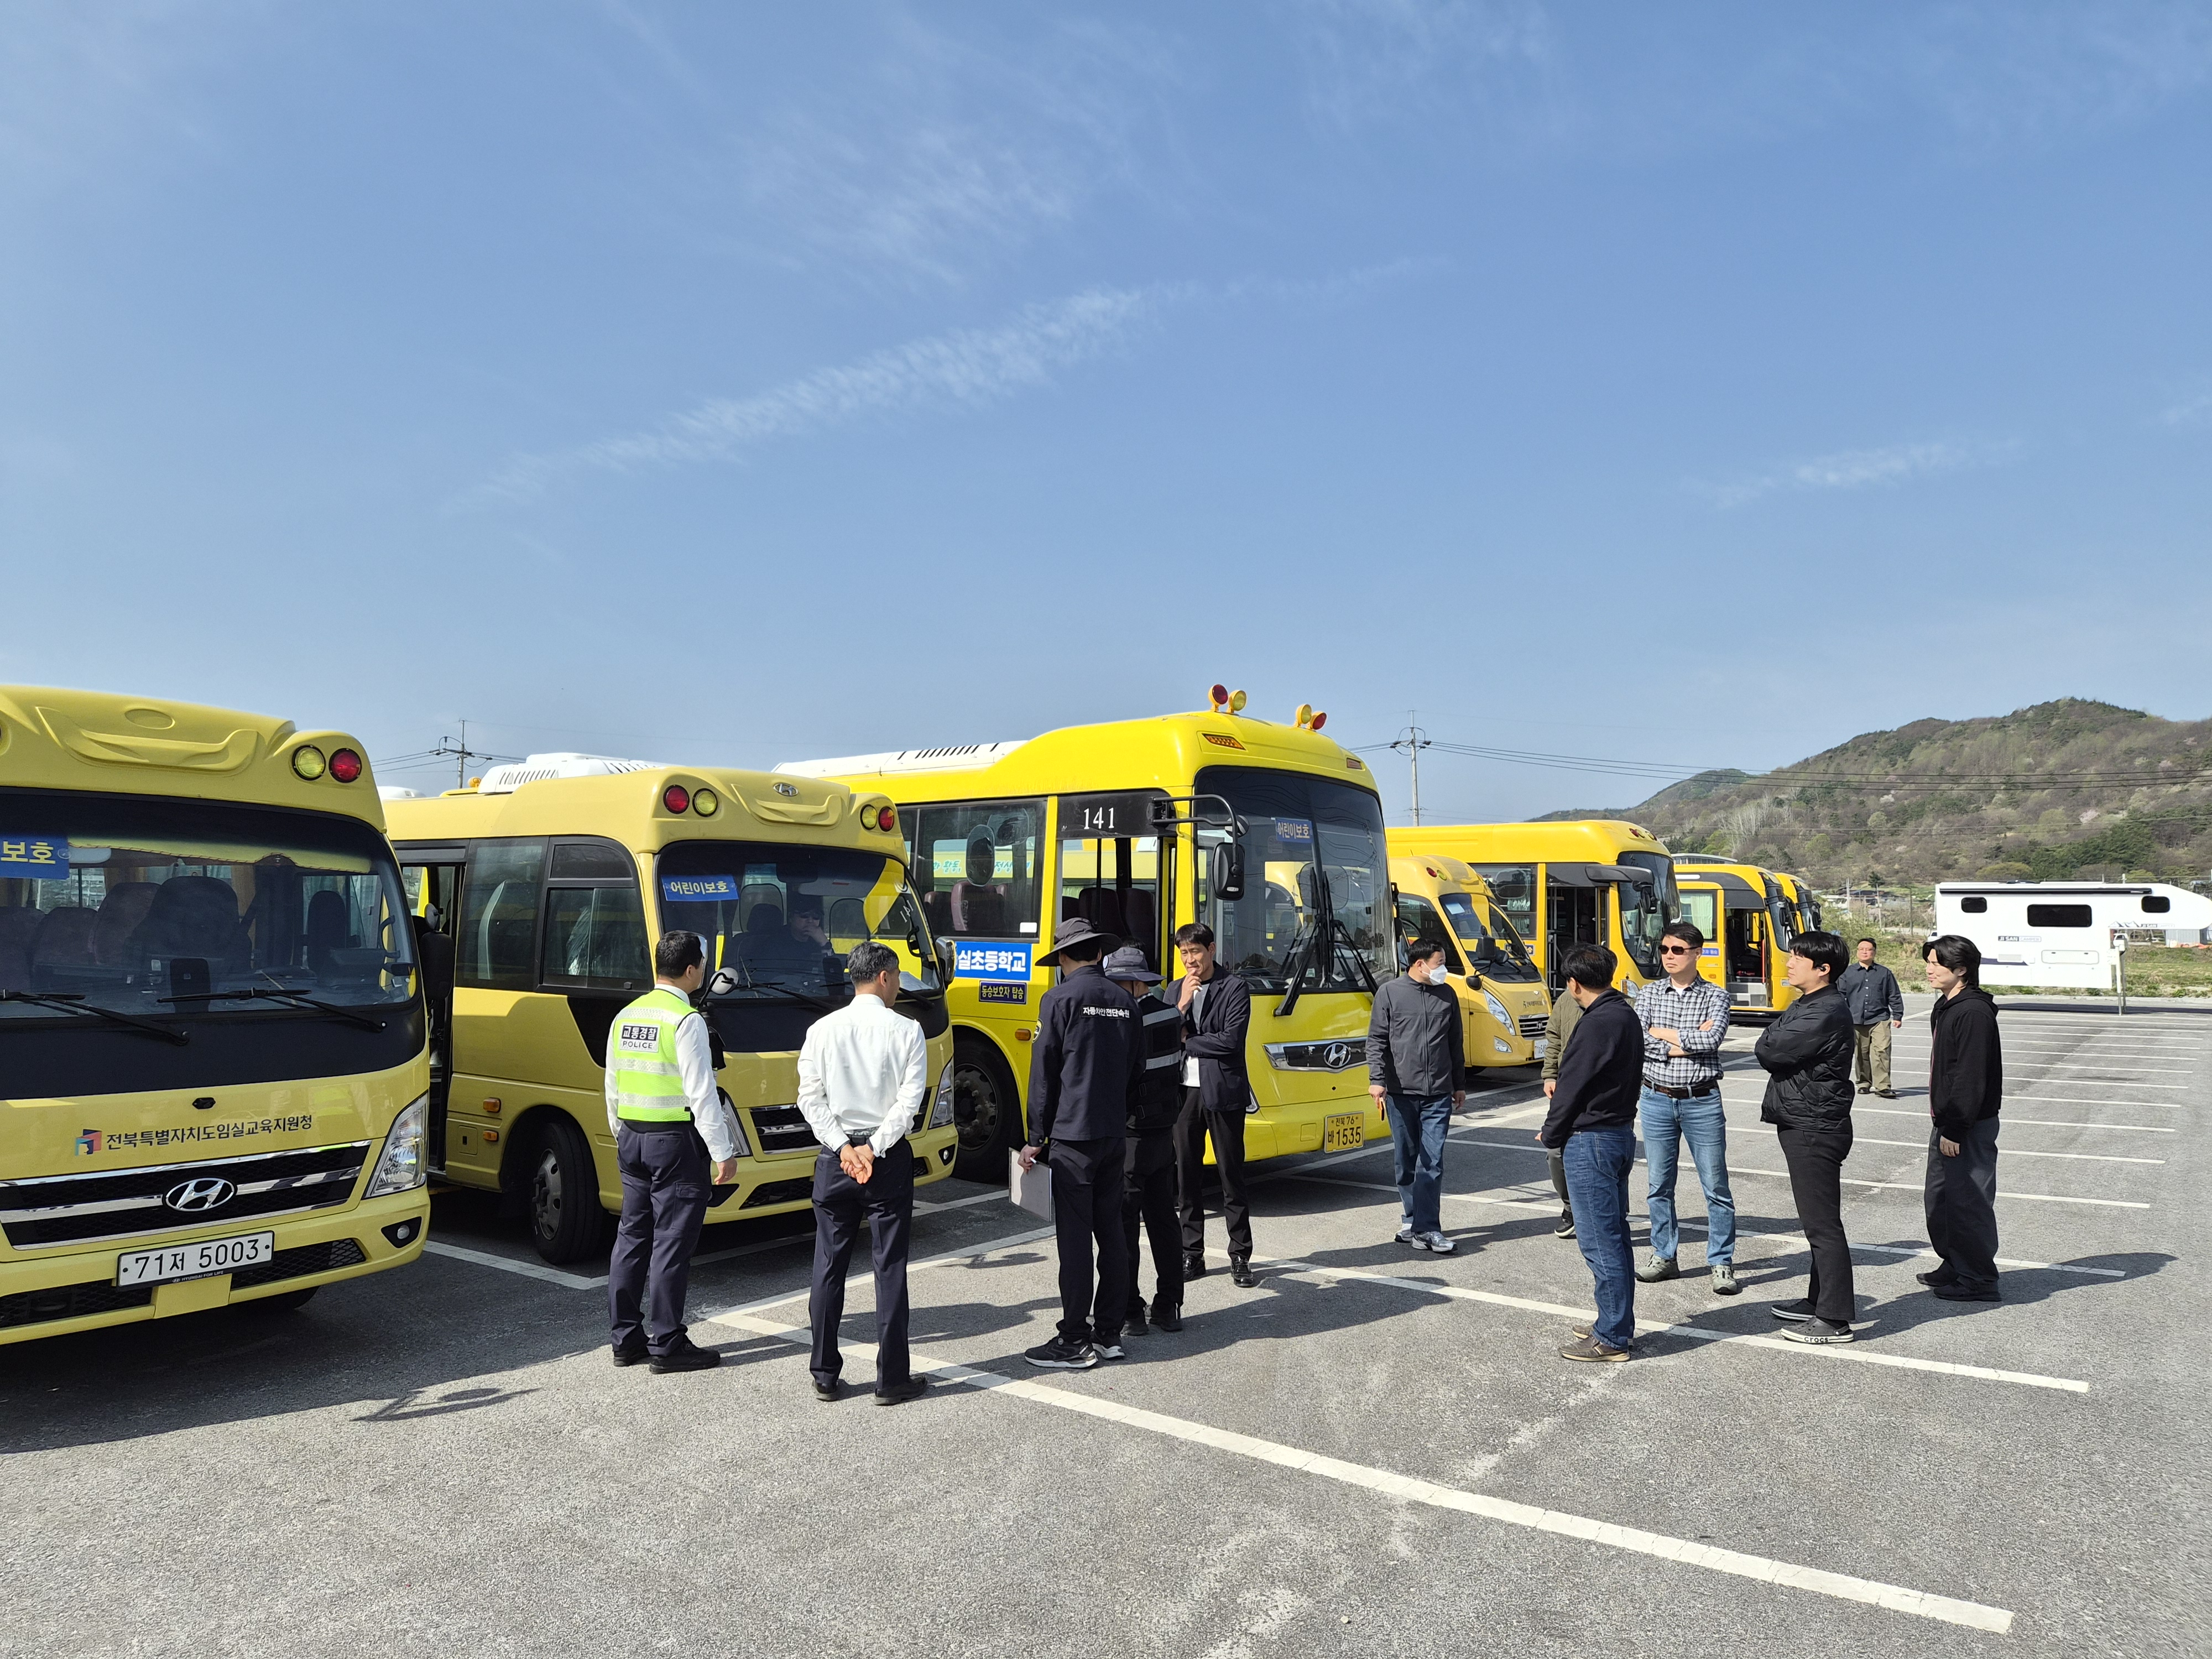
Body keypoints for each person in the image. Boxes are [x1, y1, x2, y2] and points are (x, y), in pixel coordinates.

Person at [797, 940, 931, 1405]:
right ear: (884, 977)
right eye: (896, 978)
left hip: (835, 1160)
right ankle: (891, 1379)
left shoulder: (821, 1030)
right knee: (889, 1266)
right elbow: (908, 1104)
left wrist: (844, 1148)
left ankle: (825, 1374)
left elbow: (809, 1099)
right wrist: (872, 1148)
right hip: (886, 1158)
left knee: (828, 1266)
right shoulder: (907, 1030)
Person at [606, 931, 744, 1374]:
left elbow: (613, 1083)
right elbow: (702, 1093)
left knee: (632, 1237)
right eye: (700, 965)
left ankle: (626, 1340)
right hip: (675, 1143)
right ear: (691, 970)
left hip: (632, 1135)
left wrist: (620, 1132)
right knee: (671, 1243)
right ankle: (667, 1342)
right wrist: (724, 1151)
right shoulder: (686, 1021)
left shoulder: (626, 1016)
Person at [1018, 917, 1142, 1370]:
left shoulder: (1059, 999)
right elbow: (1137, 1070)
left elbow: (1044, 1075)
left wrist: (1035, 1138)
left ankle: (1074, 1338)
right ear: (1098, 954)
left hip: (1072, 1138)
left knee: (1074, 1241)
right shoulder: (1125, 1003)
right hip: (1114, 1134)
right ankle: (1109, 1332)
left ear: (1065, 957)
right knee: (1112, 1233)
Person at [1537, 945, 1645, 1363]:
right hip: (1617, 1133)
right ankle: (1614, 1322)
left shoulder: (1597, 1021)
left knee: (1601, 1242)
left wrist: (1551, 1132)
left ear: (1574, 983)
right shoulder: (1624, 1013)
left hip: (1593, 1139)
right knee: (1613, 1236)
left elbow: (1571, 1083)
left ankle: (1612, 1336)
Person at [1753, 931, 1859, 1344]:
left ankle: (1834, 1319)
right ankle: (1819, 1300)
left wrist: (1770, 1042)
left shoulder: (1827, 1010)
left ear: (1824, 969)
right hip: (1805, 1120)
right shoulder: (1809, 1003)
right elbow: (1772, 1041)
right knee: (1817, 1220)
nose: (1789, 961)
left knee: (1821, 1224)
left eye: (1798, 957)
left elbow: (1769, 1051)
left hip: (1815, 1126)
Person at [1632, 920, 1739, 1295]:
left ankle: (1721, 1262)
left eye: (1677, 950)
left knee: (1715, 1184)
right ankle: (1664, 1256)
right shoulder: (1648, 994)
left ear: (1697, 952)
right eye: (1664, 950)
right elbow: (1638, 1037)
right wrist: (1677, 1042)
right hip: (1656, 1097)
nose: (1669, 957)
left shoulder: (1716, 996)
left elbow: (1713, 1039)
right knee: (1659, 1185)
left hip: (1702, 1100)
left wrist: (1663, 1034)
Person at [1168, 921, 1258, 1288]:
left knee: (1230, 1175)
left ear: (1212, 950)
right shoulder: (1174, 990)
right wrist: (1182, 1008)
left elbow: (1231, 1042)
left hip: (1224, 1092)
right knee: (1186, 1178)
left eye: (1196, 952)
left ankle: (1240, 1255)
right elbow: (1161, 1037)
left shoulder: (1234, 987)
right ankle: (1193, 1255)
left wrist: (1188, 1039)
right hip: (1183, 1093)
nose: (1191, 960)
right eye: (1185, 954)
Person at [1105, 945, 1185, 1335]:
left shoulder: (1127, 1020)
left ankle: (1131, 1310)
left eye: (1119, 982)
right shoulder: (1171, 1014)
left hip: (1131, 1135)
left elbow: (1120, 1080)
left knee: (1124, 1225)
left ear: (1135, 983)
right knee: (1163, 1222)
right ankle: (1169, 1306)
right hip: (1163, 1132)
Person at [1368, 938, 1465, 1254]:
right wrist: (1377, 1080)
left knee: (1432, 1161)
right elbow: (1376, 1040)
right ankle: (1411, 1219)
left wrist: (1459, 1084)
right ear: (1420, 964)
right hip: (1401, 1093)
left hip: (1438, 1092)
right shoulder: (1390, 993)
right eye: (1439, 963)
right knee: (1406, 1159)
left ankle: (1427, 1229)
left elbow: (1455, 1043)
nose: (1444, 969)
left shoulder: (1447, 995)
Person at [1921, 935, 2004, 1302]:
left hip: (1966, 1124)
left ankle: (1979, 1279)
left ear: (1961, 970)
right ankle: (1956, 1262)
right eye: (1929, 962)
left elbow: (1970, 1076)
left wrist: (1954, 1128)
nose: (1929, 969)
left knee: (1969, 1200)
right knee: (1941, 1199)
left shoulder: (1973, 1012)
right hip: (1949, 1120)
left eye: (1937, 964)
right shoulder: (1948, 1005)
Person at [1538, 985, 1582, 1239]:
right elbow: (1553, 1037)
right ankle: (1571, 1208)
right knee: (1555, 1152)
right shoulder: (1566, 999)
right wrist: (1549, 1076)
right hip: (1564, 1090)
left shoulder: (1620, 1005)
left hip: (1603, 1097)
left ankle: (1614, 1215)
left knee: (1607, 1157)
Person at [1838, 936, 1906, 1098]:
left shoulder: (1884, 973)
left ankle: (1883, 1086)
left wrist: (1898, 1015)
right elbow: (1840, 995)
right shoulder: (1847, 973)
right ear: (1857, 952)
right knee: (1861, 1053)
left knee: (1881, 1051)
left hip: (1879, 1019)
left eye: (1868, 949)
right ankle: (1864, 1083)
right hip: (1855, 1020)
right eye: (1861, 949)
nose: (1865, 952)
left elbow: (1894, 995)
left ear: (1874, 953)